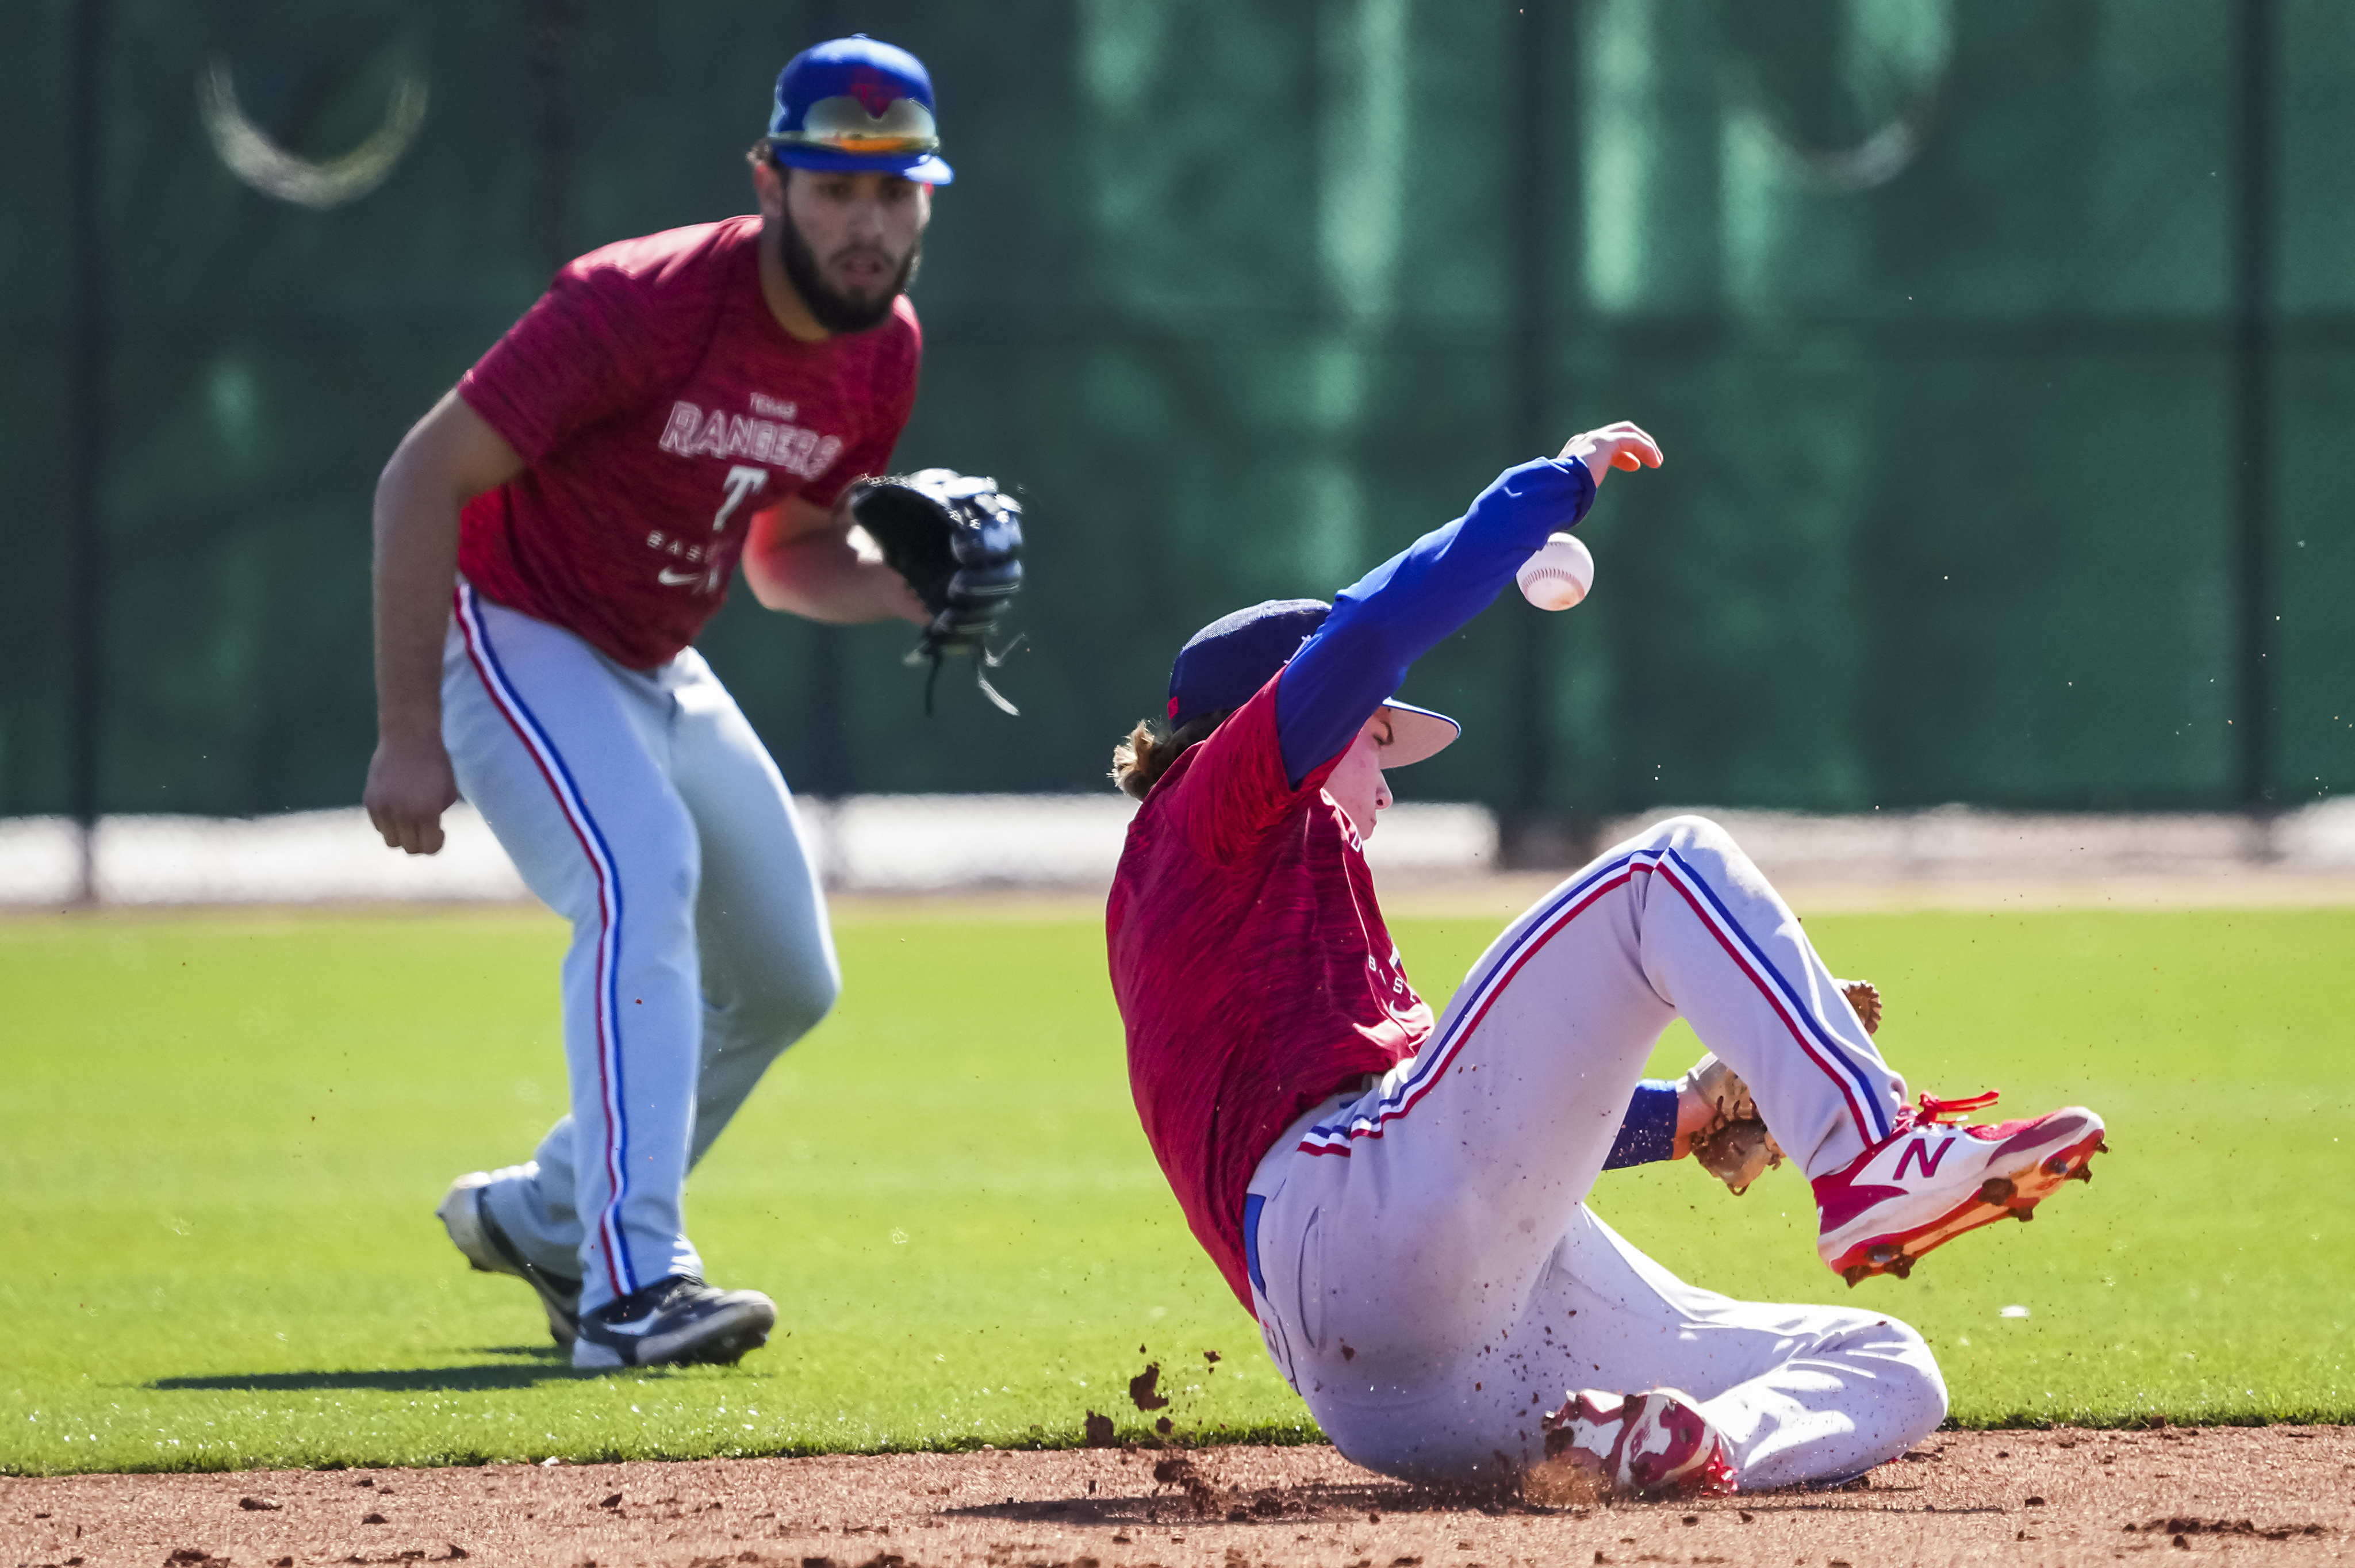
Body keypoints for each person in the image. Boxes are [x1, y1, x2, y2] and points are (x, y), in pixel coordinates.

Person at [1103, 423, 2107, 1496]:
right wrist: (1554, 485)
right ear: (1273, 719)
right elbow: (1374, 627)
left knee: (1884, 1365)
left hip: (1396, 1383)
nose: (1386, 778)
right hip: (1348, 1221)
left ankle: (1676, 1448)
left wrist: (1682, 1117)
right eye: (1375, 738)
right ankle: (1870, 1156)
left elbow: (1476, 1141)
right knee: (1666, 871)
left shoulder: (1235, 887)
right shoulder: (1216, 806)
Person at [363, 36, 961, 1370]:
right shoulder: (634, 303)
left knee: (790, 978)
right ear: (769, 180)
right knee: (646, 871)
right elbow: (419, 479)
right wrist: (409, 730)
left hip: (649, 658)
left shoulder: (882, 352)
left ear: (925, 200)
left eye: (894, 193)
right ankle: (633, 1284)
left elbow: (785, 556)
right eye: (832, 188)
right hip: (511, 625)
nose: (866, 224)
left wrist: (906, 590)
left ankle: (551, 1214)